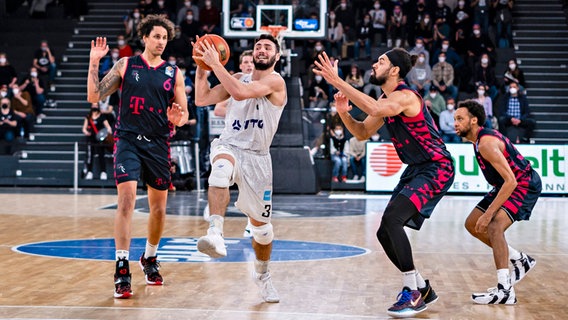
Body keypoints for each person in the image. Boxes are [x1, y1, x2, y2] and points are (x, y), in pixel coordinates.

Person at [313, 48, 455, 318]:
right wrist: (344, 112)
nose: (374, 65)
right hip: (417, 168)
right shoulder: (385, 98)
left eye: (381, 61)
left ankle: (412, 292)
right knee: (383, 231)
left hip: (437, 167)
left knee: (392, 221)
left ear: (394, 71)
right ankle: (422, 287)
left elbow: (376, 108)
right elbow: (363, 132)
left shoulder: (405, 96)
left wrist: (338, 80)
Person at [86, 14, 188, 299]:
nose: (161, 42)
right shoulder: (126, 65)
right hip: (127, 140)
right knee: (127, 199)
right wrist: (95, 62)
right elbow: (94, 96)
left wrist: (177, 118)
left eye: (165, 38)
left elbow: (184, 115)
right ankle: (121, 267)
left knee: (158, 209)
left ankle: (150, 258)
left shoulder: (173, 73)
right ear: (144, 37)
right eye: (156, 36)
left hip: (157, 143)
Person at [193, 33, 287, 303]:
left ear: (276, 57)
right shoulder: (237, 76)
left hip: (258, 157)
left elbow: (240, 92)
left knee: (262, 231)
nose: (261, 50)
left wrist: (216, 64)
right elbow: (202, 99)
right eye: (258, 46)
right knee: (220, 170)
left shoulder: (275, 81)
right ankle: (215, 233)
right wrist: (202, 67)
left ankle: (263, 276)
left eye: (268, 47)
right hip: (230, 145)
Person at [454, 99, 540, 304]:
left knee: (493, 226)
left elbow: (511, 181)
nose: (454, 123)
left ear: (473, 121)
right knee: (471, 224)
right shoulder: (478, 141)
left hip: (523, 184)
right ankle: (520, 259)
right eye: (455, 119)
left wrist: (489, 213)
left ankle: (505, 290)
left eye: (460, 119)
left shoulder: (486, 143)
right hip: (507, 184)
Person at [206, 50, 255, 237]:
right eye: (246, 62)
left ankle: (253, 223)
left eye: (252, 62)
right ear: (241, 66)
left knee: (252, 189)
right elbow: (218, 109)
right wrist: (238, 110)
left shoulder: (265, 83)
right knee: (219, 175)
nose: (249, 65)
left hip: (255, 143)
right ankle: (215, 227)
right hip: (232, 141)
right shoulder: (233, 83)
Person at [82, 103, 113, 180]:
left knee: (101, 155)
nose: (95, 107)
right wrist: (86, 132)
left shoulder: (102, 116)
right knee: (90, 156)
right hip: (91, 139)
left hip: (100, 140)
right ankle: (90, 172)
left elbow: (108, 127)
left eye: (96, 105)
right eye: (93, 105)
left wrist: (107, 133)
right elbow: (84, 128)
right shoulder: (88, 117)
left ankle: (103, 172)